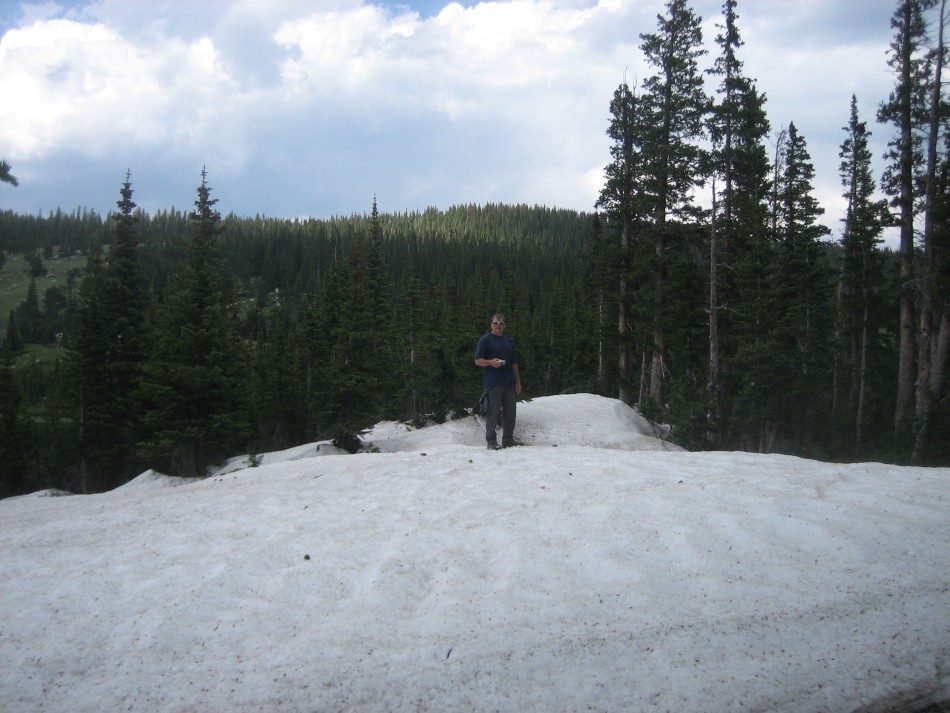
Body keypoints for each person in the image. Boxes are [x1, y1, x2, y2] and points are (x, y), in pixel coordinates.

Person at [474, 314, 522, 449]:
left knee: (510, 413)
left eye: (501, 324)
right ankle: (491, 441)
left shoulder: (508, 341)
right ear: (491, 325)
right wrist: (491, 362)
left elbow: (514, 363)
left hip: (509, 382)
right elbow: (477, 360)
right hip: (493, 382)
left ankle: (508, 440)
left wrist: (518, 381)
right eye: (495, 323)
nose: (498, 326)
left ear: (504, 326)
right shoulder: (485, 340)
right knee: (492, 412)